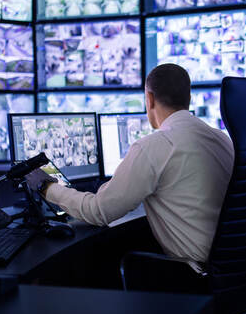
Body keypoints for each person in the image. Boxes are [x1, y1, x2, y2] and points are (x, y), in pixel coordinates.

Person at [25, 63, 234, 263]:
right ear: (188, 97)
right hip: (232, 265)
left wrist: (47, 187)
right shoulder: (222, 139)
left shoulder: (154, 146)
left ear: (149, 99)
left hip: (191, 273)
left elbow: (99, 211)